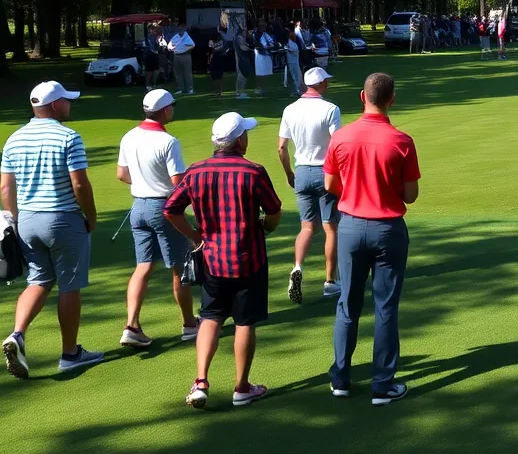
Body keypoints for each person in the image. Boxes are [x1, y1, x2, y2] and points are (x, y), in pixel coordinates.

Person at [165, 112, 282, 409]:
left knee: (210, 317)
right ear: (240, 140)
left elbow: (171, 209)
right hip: (248, 258)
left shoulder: (196, 171)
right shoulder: (253, 171)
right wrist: (266, 227)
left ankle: (201, 380)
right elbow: (273, 211)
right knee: (244, 322)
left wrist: (194, 235)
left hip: (213, 259)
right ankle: (242, 387)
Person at [325, 73, 420, 404]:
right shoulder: (401, 141)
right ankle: (382, 384)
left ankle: (341, 378)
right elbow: (410, 195)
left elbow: (330, 185)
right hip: (387, 229)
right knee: (385, 307)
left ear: (361, 97)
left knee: (347, 305)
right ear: (392, 99)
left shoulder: (341, 137)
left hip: (350, 226)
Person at [0, 81, 101, 378]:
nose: (70, 105)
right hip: (63, 219)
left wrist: (16, 220)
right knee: (70, 285)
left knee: (39, 280)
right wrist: (90, 216)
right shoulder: (69, 136)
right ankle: (70, 354)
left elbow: (7, 187)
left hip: (28, 220)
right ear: (55, 105)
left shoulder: (14, 138)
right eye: (66, 101)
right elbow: (79, 183)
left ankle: (17, 334)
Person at [116, 89, 198, 348]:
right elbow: (178, 183)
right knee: (179, 268)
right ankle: (188, 324)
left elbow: (121, 174)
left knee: (144, 266)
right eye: (171, 106)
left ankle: (132, 325)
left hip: (138, 208)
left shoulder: (129, 136)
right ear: (164, 111)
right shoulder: (168, 142)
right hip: (164, 208)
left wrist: (142, 182)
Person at [279, 67, 343, 304]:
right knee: (330, 228)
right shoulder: (330, 109)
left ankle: (297, 267)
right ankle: (330, 281)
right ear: (323, 84)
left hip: (302, 171)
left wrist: (288, 173)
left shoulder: (290, 109)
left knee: (307, 228)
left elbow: (282, 147)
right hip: (325, 171)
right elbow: (337, 145)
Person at [167, 21, 195, 96]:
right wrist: (172, 49)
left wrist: (185, 51)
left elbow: (192, 45)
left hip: (185, 56)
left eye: (182, 27)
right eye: (179, 27)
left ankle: (190, 88)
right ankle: (181, 88)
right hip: (176, 56)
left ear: (184, 28)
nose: (180, 28)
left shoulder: (187, 37)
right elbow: (169, 45)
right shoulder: (175, 37)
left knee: (187, 73)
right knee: (178, 73)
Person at [253, 20, 274, 95]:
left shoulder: (265, 34)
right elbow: (254, 44)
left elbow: (271, 43)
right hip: (258, 55)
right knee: (259, 72)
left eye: (265, 26)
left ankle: (263, 88)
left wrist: (267, 46)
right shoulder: (254, 34)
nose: (264, 28)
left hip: (265, 54)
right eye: (262, 26)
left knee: (264, 73)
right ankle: (258, 88)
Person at [207, 33, 229, 98]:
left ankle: (219, 91)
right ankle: (217, 90)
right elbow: (210, 48)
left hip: (220, 59)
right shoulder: (211, 42)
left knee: (219, 76)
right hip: (214, 60)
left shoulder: (223, 42)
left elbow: (224, 49)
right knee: (214, 76)